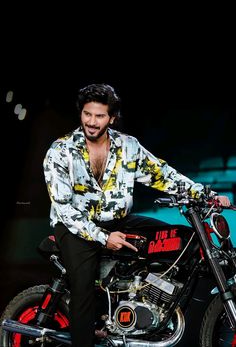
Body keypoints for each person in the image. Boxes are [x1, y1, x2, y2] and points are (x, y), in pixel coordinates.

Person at [43, 83, 230, 347]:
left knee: (182, 238)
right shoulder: (60, 151)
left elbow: (162, 175)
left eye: (99, 116)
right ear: (81, 113)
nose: (92, 122)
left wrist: (206, 196)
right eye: (87, 114)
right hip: (76, 225)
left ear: (112, 117)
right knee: (83, 288)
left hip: (118, 220)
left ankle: (153, 311)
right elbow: (64, 208)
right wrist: (103, 237)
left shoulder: (128, 146)